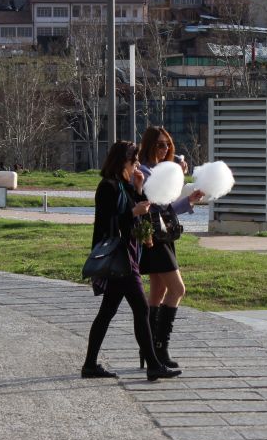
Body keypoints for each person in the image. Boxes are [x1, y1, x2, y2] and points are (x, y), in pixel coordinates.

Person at [81, 140, 180, 382]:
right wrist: (133, 212)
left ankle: (90, 364)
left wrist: (138, 189)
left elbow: (133, 215)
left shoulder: (124, 185)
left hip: (128, 255)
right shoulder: (107, 187)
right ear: (123, 161)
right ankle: (154, 365)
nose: (137, 164)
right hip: (120, 257)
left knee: (107, 311)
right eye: (134, 160)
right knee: (142, 308)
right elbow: (107, 223)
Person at [136, 127, 204, 369]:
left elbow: (168, 209)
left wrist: (190, 200)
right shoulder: (143, 171)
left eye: (167, 145)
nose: (165, 149)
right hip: (153, 239)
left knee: (158, 293)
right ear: (149, 146)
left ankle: (149, 349)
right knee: (178, 289)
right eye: (160, 145)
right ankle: (160, 348)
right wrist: (173, 172)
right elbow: (152, 205)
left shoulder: (161, 170)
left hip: (165, 236)